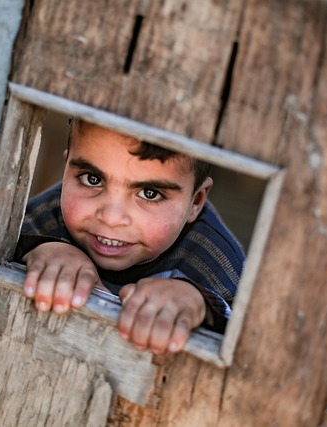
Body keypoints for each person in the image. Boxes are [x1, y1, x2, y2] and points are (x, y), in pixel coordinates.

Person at [14, 119, 244, 355]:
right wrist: (43, 248)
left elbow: (249, 336)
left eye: (149, 193)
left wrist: (199, 303)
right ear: (66, 170)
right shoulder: (47, 213)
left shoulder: (215, 255)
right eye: (92, 179)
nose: (111, 218)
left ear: (195, 202)